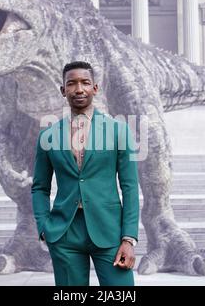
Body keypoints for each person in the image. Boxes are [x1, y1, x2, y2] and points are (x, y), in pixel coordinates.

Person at [31, 61, 139, 286]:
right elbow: (40, 187)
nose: (78, 89)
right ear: (63, 90)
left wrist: (128, 238)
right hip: (65, 233)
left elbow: (129, 187)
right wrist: (44, 227)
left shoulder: (118, 131)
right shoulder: (48, 136)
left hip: (109, 232)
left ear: (95, 88)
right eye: (71, 84)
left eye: (85, 83)